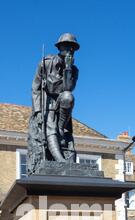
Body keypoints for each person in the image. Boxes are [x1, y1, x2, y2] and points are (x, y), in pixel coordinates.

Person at [27, 33, 80, 174]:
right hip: (47, 103)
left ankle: (61, 130)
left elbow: (68, 88)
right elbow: (35, 87)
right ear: (60, 47)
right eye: (67, 46)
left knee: (68, 96)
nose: (69, 50)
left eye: (72, 47)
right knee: (50, 126)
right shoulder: (46, 63)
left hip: (62, 105)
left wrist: (68, 68)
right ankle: (59, 159)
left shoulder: (74, 70)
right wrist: (37, 111)